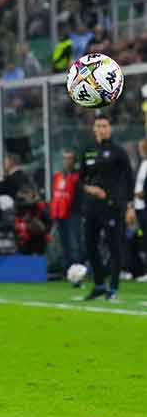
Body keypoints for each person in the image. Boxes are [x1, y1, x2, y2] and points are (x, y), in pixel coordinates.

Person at [79, 114, 134, 301]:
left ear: (110, 129)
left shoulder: (118, 152)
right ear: (93, 129)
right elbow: (80, 180)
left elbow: (128, 179)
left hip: (112, 206)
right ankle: (100, 284)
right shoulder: (88, 151)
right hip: (92, 207)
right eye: (98, 126)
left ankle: (113, 288)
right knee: (90, 246)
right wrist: (90, 189)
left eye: (104, 126)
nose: (101, 129)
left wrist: (129, 205)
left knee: (114, 247)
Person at [50, 150, 83, 273]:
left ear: (74, 161)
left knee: (75, 242)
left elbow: (81, 195)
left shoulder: (78, 176)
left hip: (73, 213)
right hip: (59, 213)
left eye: (69, 159)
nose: (67, 161)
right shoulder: (58, 176)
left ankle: (78, 268)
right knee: (64, 242)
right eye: (65, 159)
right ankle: (67, 268)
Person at [131, 139, 147, 282]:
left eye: (144, 147)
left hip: (144, 206)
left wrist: (144, 194)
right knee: (140, 238)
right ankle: (139, 270)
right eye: (140, 147)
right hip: (138, 207)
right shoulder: (140, 164)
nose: (141, 150)